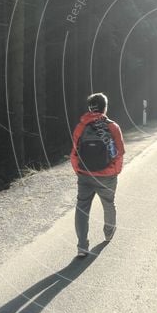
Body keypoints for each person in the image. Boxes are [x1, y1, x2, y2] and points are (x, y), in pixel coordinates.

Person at [70, 92, 125, 257]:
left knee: (82, 208)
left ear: (90, 108)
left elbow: (74, 152)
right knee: (108, 203)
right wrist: (114, 172)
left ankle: (82, 247)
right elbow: (120, 152)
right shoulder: (112, 126)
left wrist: (79, 171)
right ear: (105, 108)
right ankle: (108, 234)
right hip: (107, 175)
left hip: (85, 174)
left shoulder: (81, 126)